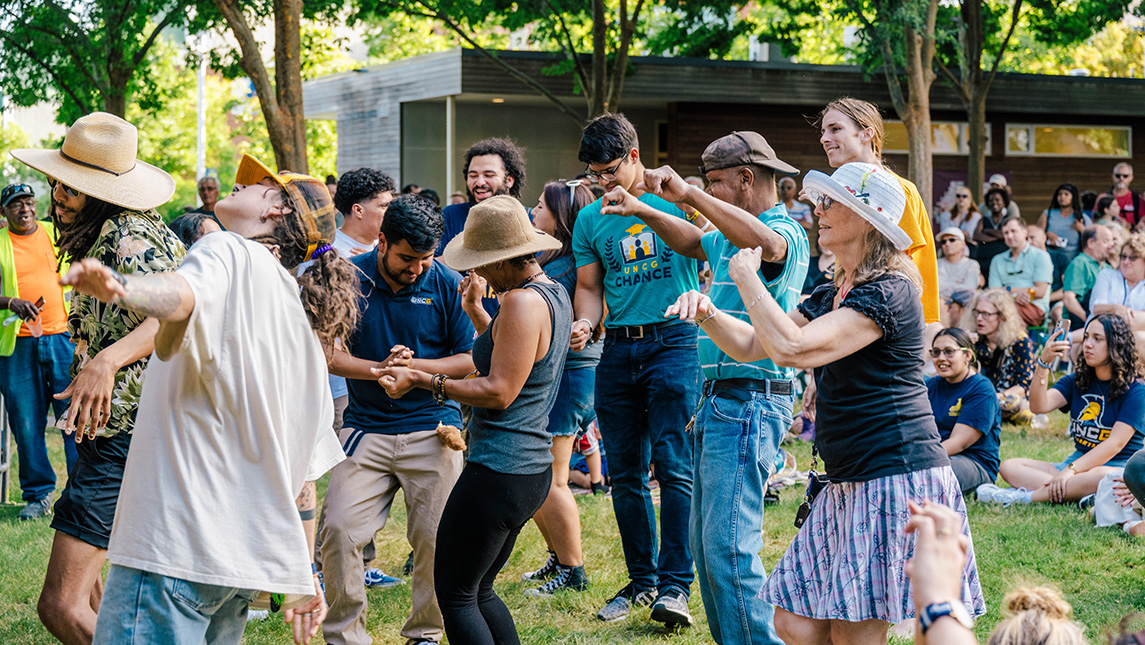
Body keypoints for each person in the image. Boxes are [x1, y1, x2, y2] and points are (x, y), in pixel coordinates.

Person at [673, 161, 984, 643]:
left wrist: (749, 279)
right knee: (794, 623)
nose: (817, 210)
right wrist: (709, 312)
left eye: (830, 202)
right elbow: (756, 346)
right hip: (847, 481)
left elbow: (792, 350)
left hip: (894, 476)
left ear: (866, 220)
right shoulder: (833, 291)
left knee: (852, 634)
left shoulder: (891, 290)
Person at [64, 153, 351, 645]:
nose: (238, 186)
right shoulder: (299, 325)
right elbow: (303, 476)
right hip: (234, 570)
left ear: (277, 211)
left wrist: (125, 287)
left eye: (257, 184)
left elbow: (182, 292)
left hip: (176, 550)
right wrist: (305, 573)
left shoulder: (228, 252)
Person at [606, 130, 809, 643]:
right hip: (717, 400)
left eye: (717, 182)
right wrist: (642, 207)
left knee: (728, 547)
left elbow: (763, 246)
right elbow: (694, 241)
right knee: (705, 545)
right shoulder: (725, 231)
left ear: (747, 178)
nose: (710, 192)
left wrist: (689, 194)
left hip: (750, 399)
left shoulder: (782, 228)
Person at [12, 112, 187, 645]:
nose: (58, 195)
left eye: (72, 188)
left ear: (103, 190)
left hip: (127, 433)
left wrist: (107, 360)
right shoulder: (101, 231)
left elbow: (179, 309)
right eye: (58, 182)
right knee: (92, 595)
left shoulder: (131, 238)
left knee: (60, 605)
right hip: (101, 428)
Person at [376, 195, 571, 645]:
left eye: (481, 263)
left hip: (499, 469)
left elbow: (500, 390)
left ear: (503, 258)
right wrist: (476, 314)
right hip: (527, 468)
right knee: (479, 589)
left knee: (456, 592)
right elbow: (518, 355)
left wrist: (423, 383)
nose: (477, 273)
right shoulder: (549, 293)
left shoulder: (521, 302)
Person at [320, 194, 473, 645]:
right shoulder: (347, 278)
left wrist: (416, 371)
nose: (417, 269)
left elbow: (467, 359)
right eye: (407, 257)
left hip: (434, 425)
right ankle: (345, 637)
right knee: (339, 531)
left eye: (425, 258)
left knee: (434, 540)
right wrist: (380, 371)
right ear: (382, 241)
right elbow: (328, 353)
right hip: (365, 427)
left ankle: (425, 634)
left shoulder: (445, 281)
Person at [570, 113, 701, 626]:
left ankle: (675, 586)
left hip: (675, 341)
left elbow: (695, 244)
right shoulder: (589, 218)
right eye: (593, 174)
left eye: (607, 170)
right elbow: (589, 285)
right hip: (619, 349)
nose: (601, 182)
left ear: (633, 155)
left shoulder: (676, 192)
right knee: (624, 474)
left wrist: (642, 206)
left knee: (673, 467)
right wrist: (585, 324)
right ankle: (642, 580)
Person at [306, 167, 405, 596]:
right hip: (336, 385)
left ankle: (358, 562)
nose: (391, 211)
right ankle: (320, 566)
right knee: (341, 475)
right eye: (385, 205)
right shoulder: (328, 257)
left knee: (362, 476)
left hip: (377, 382)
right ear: (358, 209)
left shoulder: (394, 256)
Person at [518, 179, 598, 598]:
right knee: (540, 477)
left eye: (540, 206)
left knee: (553, 479)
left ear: (561, 217)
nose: (533, 211)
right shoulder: (555, 261)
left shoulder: (567, 268)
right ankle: (557, 556)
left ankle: (574, 569)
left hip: (568, 377)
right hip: (560, 376)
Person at [979, 313, 1145, 506]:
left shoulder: (1137, 390)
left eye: (1097, 339)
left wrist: (1070, 471)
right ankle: (1080, 494)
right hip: (1077, 463)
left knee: (1102, 476)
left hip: (1114, 466)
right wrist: (1043, 362)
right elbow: (1038, 406)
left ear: (1116, 345)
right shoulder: (1077, 380)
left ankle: (1023, 497)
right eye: (1086, 337)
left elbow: (1114, 444)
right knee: (1009, 467)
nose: (1088, 344)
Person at [815, 97, 941, 328]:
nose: (824, 138)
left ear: (866, 134)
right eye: (823, 131)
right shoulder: (834, 190)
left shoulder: (902, 191)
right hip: (845, 313)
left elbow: (916, 266)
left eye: (835, 129)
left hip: (888, 325)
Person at [0, 182, 78, 519]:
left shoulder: (53, 232)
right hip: (18, 344)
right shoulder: (0, 242)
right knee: (27, 422)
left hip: (61, 338)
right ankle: (38, 496)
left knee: (74, 417)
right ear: (4, 212)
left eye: (29, 202)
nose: (24, 209)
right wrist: (11, 302)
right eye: (16, 205)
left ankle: (78, 492)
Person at [436, 138, 526, 317]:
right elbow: (430, 266)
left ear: (509, 180)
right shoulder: (450, 215)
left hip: (512, 320)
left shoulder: (527, 218)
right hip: (460, 325)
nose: (479, 182)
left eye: (489, 175)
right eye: (473, 175)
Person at [925, 328, 1002, 495]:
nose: (941, 358)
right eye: (936, 352)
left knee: (930, 475)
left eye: (949, 352)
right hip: (935, 456)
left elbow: (959, 443)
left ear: (967, 355)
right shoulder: (930, 386)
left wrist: (920, 459)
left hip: (974, 463)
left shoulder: (981, 389)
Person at [964, 288, 1036, 423]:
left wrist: (998, 396)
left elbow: (1022, 387)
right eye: (977, 312)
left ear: (1002, 317)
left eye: (986, 314)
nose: (979, 318)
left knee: (1013, 403)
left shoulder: (1020, 342)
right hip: (977, 395)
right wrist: (962, 346)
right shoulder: (974, 339)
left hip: (1004, 397)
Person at [988, 216, 1053, 327]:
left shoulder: (1040, 255)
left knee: (1003, 315)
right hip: (1003, 305)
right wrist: (1013, 297)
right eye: (1006, 233)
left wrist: (1009, 290)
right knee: (981, 311)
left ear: (1024, 232)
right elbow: (994, 292)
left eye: (1013, 231)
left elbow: (1040, 291)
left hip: (1034, 306)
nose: (1010, 236)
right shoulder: (997, 260)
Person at [1062, 225, 1116, 328]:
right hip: (1079, 326)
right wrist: (1088, 320)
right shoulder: (1080, 262)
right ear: (1091, 243)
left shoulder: (1107, 267)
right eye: (1106, 241)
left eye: (1112, 241)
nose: (1111, 246)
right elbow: (1069, 299)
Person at [935, 228, 980, 321]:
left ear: (962, 243)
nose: (947, 244)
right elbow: (932, 289)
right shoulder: (935, 264)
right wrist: (956, 285)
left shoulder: (972, 265)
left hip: (962, 307)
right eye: (944, 242)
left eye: (952, 240)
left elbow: (967, 291)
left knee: (955, 307)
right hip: (938, 305)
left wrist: (943, 290)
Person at [1037, 183, 1089, 259]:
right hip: (1050, 257)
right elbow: (1035, 234)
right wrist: (1047, 234)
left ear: (1073, 197)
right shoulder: (1048, 214)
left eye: (1066, 194)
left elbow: (1093, 238)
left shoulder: (1082, 218)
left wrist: (1082, 229)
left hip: (1072, 259)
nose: (1062, 197)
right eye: (1060, 194)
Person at [973, 187, 1012, 275]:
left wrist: (987, 231)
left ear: (1004, 202)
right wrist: (997, 238)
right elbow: (976, 236)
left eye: (997, 200)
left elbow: (1005, 234)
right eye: (991, 200)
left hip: (1003, 260)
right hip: (984, 261)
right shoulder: (983, 219)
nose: (994, 202)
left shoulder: (1008, 220)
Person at [938, 187, 981, 252]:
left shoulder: (975, 215)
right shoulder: (946, 214)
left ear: (970, 199)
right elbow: (945, 233)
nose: (961, 198)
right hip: (950, 247)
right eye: (958, 196)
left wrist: (953, 233)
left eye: (964, 196)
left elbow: (970, 234)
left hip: (969, 248)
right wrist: (962, 233)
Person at [1100, 162, 1142, 229]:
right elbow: (1095, 219)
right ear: (1113, 176)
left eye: (1125, 176)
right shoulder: (1103, 197)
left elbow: (1142, 222)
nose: (1121, 178)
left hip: (1131, 236)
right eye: (1118, 175)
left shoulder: (1137, 199)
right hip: (1109, 234)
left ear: (1131, 178)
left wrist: (1130, 226)